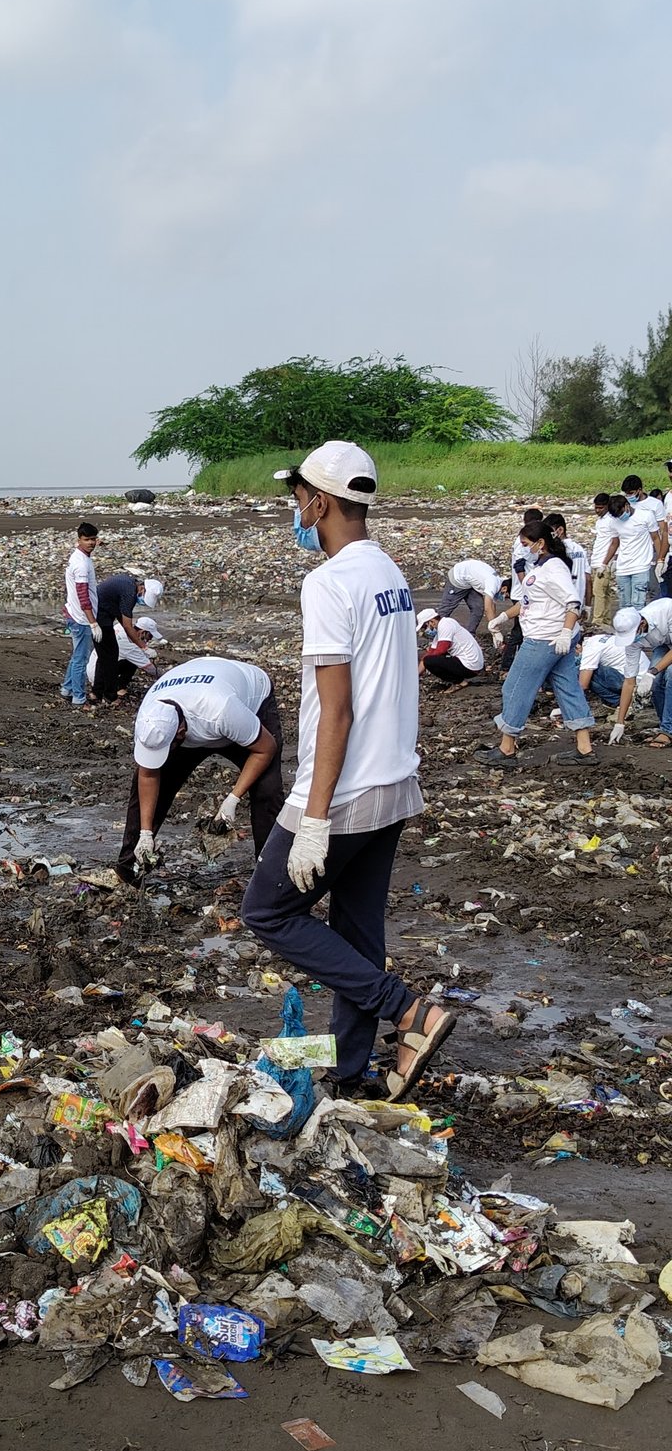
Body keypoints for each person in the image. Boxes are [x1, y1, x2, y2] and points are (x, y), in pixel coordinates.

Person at [240, 440, 453, 1102]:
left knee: (268, 910)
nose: (295, 508)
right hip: (395, 784)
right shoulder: (388, 573)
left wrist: (311, 819)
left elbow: (337, 712)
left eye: (298, 495)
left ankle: (409, 1009)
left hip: (347, 790)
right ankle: (354, 1073)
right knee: (358, 932)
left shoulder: (328, 583)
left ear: (321, 502)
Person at [117, 655, 285, 880]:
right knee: (146, 791)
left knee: (267, 790)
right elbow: (148, 775)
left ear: (180, 734)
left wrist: (232, 799)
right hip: (195, 702)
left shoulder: (221, 710)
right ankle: (130, 869)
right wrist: (145, 833)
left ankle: (270, 878)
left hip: (248, 702)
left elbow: (266, 749)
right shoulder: (149, 717)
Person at [476, 518, 595, 767]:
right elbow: (530, 602)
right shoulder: (540, 568)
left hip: (545, 638)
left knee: (516, 687)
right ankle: (585, 749)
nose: (522, 549)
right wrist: (502, 616)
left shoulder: (553, 568)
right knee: (567, 688)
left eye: (525, 544)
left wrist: (565, 631)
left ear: (540, 543)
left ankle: (507, 748)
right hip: (553, 638)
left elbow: (573, 602)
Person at [578, 607, 650, 741]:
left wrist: (568, 708)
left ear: (578, 647)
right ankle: (622, 702)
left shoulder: (590, 648)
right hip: (639, 679)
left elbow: (582, 685)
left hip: (636, 682)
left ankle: (617, 703)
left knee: (590, 672)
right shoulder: (600, 639)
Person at [60, 523, 99, 706]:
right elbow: (83, 595)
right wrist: (93, 622)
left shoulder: (80, 557)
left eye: (93, 539)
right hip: (81, 618)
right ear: (79, 540)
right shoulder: (81, 564)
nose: (91, 543)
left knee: (78, 655)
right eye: (87, 539)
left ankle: (67, 688)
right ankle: (78, 697)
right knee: (81, 659)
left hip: (74, 613)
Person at [601, 489, 659, 611]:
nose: (620, 517)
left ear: (627, 506)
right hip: (623, 568)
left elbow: (655, 538)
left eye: (621, 513)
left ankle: (639, 630)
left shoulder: (645, 516)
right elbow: (614, 543)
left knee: (638, 604)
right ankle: (626, 629)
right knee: (624, 606)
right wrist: (604, 563)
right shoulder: (614, 522)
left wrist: (660, 560)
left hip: (641, 566)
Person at [85, 615, 162, 698]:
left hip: (95, 667)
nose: (150, 639)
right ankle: (119, 687)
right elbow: (148, 667)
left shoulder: (120, 627)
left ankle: (113, 687)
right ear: (142, 632)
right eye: (150, 636)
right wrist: (164, 674)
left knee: (131, 659)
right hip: (98, 676)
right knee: (133, 663)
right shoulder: (130, 645)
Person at [629, 597, 672, 746]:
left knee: (670, 674)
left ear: (641, 623)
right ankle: (665, 726)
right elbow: (629, 681)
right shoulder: (632, 637)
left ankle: (668, 730)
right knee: (656, 682)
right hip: (665, 642)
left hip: (667, 635)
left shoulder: (666, 608)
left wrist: (651, 672)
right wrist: (619, 723)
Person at [437, 557, 504, 636]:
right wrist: (495, 632)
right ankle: (434, 633)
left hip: (470, 581)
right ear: (504, 588)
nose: (503, 598)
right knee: (445, 610)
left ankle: (469, 635)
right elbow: (488, 608)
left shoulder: (499, 581)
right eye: (505, 595)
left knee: (478, 608)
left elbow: (492, 605)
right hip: (458, 578)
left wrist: (494, 625)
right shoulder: (493, 584)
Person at [416, 608, 484, 685]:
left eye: (425, 627)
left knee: (430, 661)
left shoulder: (445, 624)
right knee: (428, 659)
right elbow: (429, 653)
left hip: (470, 665)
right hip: (471, 664)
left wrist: (426, 662)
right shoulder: (440, 632)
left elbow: (441, 649)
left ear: (432, 621)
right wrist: (416, 675)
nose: (425, 630)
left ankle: (459, 682)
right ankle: (458, 680)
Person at [542, 513, 590, 602]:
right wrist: (588, 605)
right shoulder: (580, 549)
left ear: (560, 530)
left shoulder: (556, 551)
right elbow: (587, 578)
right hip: (578, 600)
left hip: (563, 602)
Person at [587, 493, 617, 623]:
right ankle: (607, 619)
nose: (597, 510)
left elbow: (615, 542)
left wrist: (605, 563)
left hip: (603, 562)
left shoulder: (611, 521)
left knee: (598, 592)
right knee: (605, 592)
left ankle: (597, 621)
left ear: (607, 506)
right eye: (596, 507)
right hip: (596, 560)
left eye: (600, 508)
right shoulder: (600, 521)